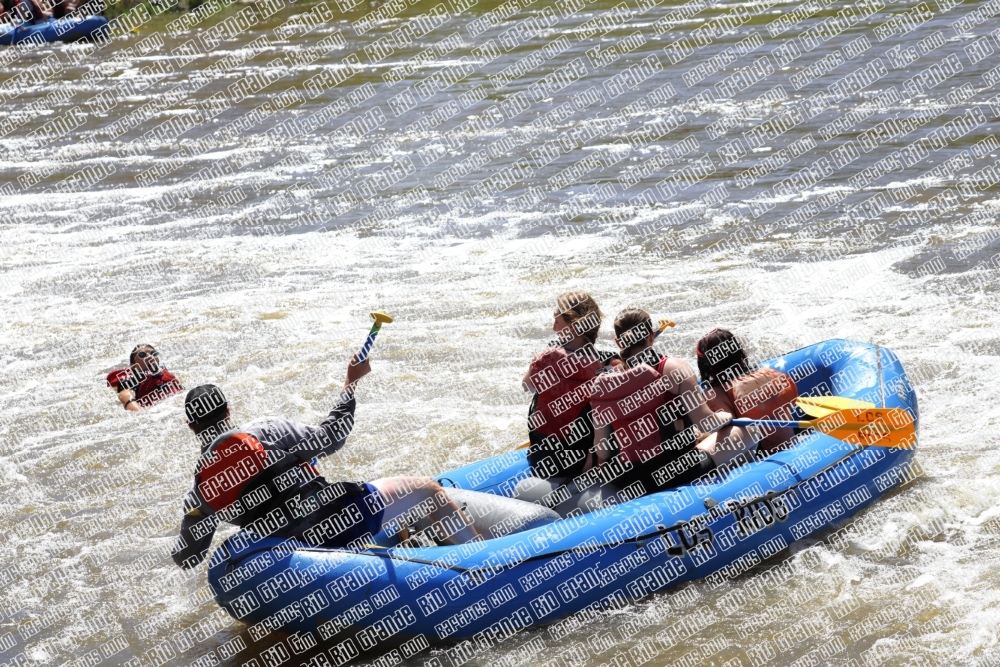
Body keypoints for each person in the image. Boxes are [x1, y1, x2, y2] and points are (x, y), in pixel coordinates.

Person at [171, 354, 480, 569]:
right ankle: (485, 561)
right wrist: (351, 382)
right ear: (227, 411)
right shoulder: (267, 431)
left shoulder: (200, 491)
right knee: (426, 490)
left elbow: (190, 558)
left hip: (291, 552)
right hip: (336, 520)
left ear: (191, 427)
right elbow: (335, 434)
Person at [588, 310, 758, 496]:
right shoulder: (675, 369)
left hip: (630, 478)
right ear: (651, 337)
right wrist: (726, 416)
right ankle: (738, 489)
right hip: (675, 472)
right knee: (749, 429)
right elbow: (706, 423)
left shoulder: (604, 382)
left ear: (618, 342)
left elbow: (602, 451)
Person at [520, 292, 619, 482]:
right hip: (583, 463)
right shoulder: (608, 364)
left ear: (573, 326)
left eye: (557, 322)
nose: (553, 327)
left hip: (541, 461)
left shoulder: (544, 358)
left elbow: (527, 386)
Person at [695, 328, 798, 454]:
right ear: (738, 352)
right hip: (794, 443)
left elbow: (728, 436)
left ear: (706, 363)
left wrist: (700, 436)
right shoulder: (768, 373)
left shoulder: (716, 394)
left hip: (764, 456)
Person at [106, 344, 183, 411]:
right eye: (142, 355)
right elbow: (139, 413)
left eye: (153, 353)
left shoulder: (170, 376)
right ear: (133, 365)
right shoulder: (128, 390)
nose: (150, 357)